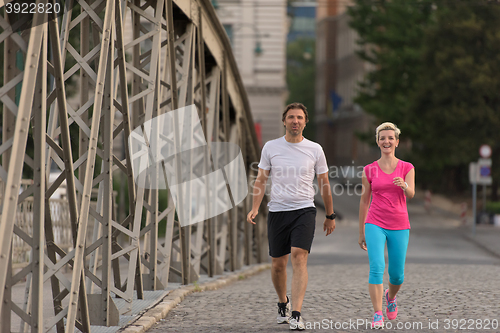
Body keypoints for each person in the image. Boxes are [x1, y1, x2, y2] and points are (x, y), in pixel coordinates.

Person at [246, 102, 336, 331]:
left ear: (305, 122)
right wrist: (256, 207)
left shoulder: (315, 149)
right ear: (284, 121)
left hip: (304, 210)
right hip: (277, 211)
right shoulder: (270, 147)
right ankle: (282, 302)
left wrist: (330, 214)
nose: (295, 121)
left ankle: (296, 313)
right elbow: (261, 179)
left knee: (299, 256)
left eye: (299, 118)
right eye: (291, 117)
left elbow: (324, 183)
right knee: (278, 264)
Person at [358, 122, 415, 329]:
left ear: (397, 142)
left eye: (390, 138)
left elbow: (411, 194)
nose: (386, 141)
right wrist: (361, 230)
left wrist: (404, 185)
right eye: (382, 138)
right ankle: (377, 314)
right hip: (375, 222)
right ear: (377, 142)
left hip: (399, 224)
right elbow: (364, 201)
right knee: (376, 268)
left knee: (397, 274)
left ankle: (391, 296)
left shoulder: (407, 168)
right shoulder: (369, 169)